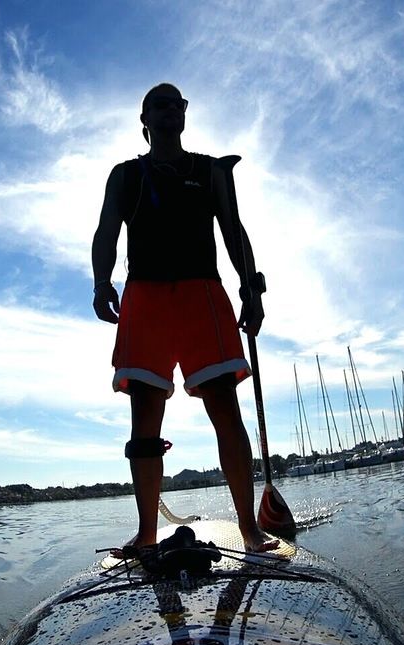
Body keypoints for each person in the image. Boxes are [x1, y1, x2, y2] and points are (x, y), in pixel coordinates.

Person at [91, 83, 279, 554]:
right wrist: (101, 282)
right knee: (144, 421)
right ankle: (148, 533)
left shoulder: (210, 172)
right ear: (145, 118)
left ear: (185, 115)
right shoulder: (125, 175)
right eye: (160, 104)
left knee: (226, 413)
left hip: (203, 297)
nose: (171, 110)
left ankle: (249, 529)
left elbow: (235, 232)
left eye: (178, 104)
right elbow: (106, 232)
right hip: (145, 301)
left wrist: (250, 290)